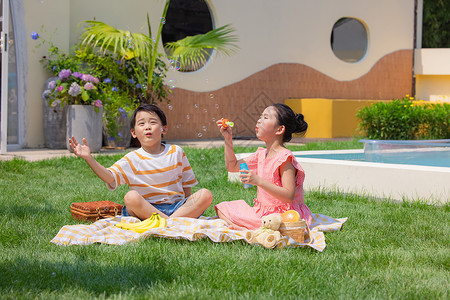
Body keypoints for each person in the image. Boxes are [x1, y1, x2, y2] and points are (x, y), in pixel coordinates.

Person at [69, 103, 213, 220]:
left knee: (205, 194)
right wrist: (89, 158)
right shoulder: (132, 158)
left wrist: (188, 208)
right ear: (133, 132)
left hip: (177, 208)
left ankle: (167, 223)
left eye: (153, 122)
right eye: (142, 123)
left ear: (164, 128)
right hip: (147, 210)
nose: (147, 127)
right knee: (130, 197)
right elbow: (109, 176)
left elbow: (187, 186)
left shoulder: (176, 152)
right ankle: (171, 224)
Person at [215, 103, 312, 230]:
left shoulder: (285, 158)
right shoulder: (261, 155)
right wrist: (228, 138)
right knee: (222, 208)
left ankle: (247, 229)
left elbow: (289, 196)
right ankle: (251, 228)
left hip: (286, 216)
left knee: (275, 224)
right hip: (262, 214)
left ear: (279, 129)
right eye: (260, 116)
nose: (259, 120)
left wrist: (258, 181)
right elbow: (232, 166)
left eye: (265, 117)